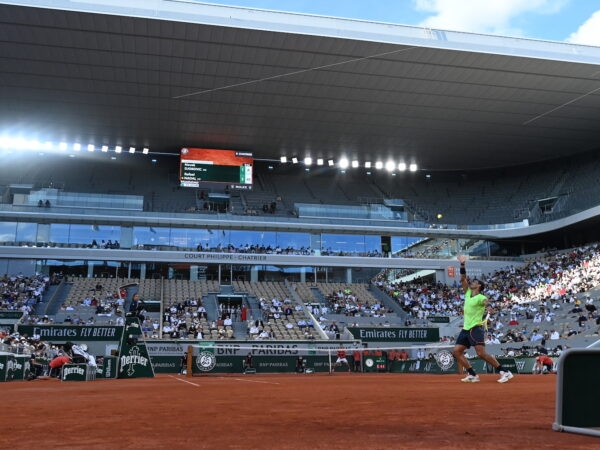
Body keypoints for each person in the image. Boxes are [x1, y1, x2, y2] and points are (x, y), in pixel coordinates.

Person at [453, 254, 514, 383]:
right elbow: (463, 278)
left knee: (481, 354)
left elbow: (486, 301)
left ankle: (505, 371)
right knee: (457, 351)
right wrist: (462, 264)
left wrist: (490, 307)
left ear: (479, 286)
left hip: (476, 328)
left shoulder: (481, 297)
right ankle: (473, 374)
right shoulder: (468, 293)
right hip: (466, 328)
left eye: (475, 282)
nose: (472, 282)